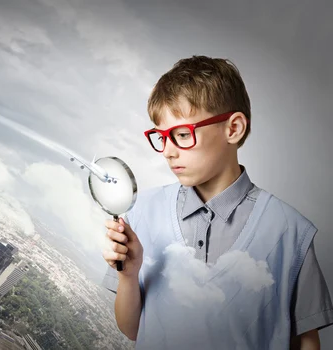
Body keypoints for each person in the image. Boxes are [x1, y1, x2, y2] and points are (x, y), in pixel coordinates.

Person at [101, 55, 333, 349]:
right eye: (162, 137)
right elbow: (132, 329)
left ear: (233, 128)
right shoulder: (141, 211)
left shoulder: (291, 233)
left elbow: (307, 342)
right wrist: (129, 276)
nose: (168, 152)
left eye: (182, 134)